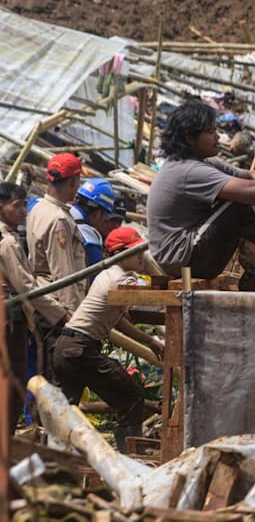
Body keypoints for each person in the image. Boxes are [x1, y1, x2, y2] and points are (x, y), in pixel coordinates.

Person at [147, 101, 255, 292]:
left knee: (251, 193)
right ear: (190, 138)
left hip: (190, 254)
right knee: (245, 202)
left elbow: (248, 175)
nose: (218, 137)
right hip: (183, 259)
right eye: (210, 132)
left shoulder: (204, 162)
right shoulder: (187, 170)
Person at [51, 227, 164, 453]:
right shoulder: (118, 279)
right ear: (118, 254)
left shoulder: (109, 276)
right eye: (135, 252)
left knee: (64, 410)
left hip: (68, 348)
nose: (141, 256)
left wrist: (150, 342)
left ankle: (57, 460)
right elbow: (153, 290)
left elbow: (118, 321)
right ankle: (129, 455)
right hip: (80, 349)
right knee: (131, 397)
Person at [0, 182, 68, 431]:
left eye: (24, 205)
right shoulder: (6, 242)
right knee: (14, 381)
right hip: (10, 320)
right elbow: (26, 286)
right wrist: (60, 314)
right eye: (16, 205)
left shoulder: (9, 237)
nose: (23, 211)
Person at [28, 153, 88, 311]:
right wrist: (72, 315)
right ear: (73, 182)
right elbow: (63, 273)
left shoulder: (38, 208)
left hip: (43, 298)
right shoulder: (58, 219)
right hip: (57, 305)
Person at [73, 178, 126, 268]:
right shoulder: (89, 238)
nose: (117, 226)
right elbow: (97, 277)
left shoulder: (51, 208)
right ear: (98, 214)